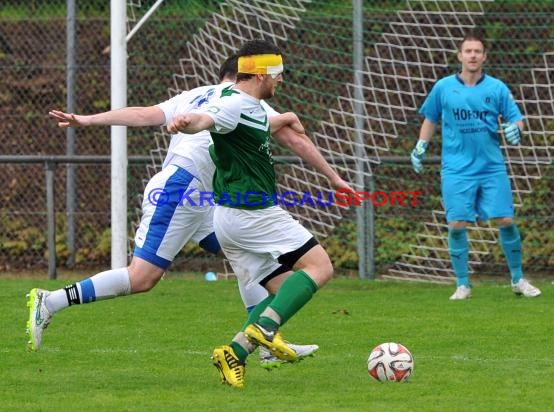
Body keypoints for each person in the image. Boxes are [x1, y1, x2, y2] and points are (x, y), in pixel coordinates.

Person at [27, 55, 332, 368]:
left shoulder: (196, 94)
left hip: (208, 200)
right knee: (142, 277)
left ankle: (264, 343)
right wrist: (334, 177)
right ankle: (50, 301)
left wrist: (89, 119)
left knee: (262, 268)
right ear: (249, 76)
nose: (275, 80)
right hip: (182, 191)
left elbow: (144, 114)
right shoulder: (245, 100)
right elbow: (295, 140)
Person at [167, 39, 353, 388]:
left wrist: (287, 119)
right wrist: (186, 121)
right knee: (320, 267)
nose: (280, 80)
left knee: (283, 290)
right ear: (259, 75)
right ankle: (265, 330)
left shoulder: (246, 104)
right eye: (277, 74)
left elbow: (247, 125)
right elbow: (207, 120)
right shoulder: (234, 104)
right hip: (253, 212)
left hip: (228, 218)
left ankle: (234, 353)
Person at [410, 30, 541, 300]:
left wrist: (516, 130)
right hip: (456, 168)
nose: (472, 55)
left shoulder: (497, 88)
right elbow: (430, 118)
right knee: (457, 223)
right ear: (460, 55)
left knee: (505, 219)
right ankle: (462, 284)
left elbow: (516, 119)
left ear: (484, 56)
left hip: (492, 167)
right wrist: (421, 146)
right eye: (467, 51)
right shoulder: (444, 87)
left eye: (477, 51)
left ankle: (517, 279)